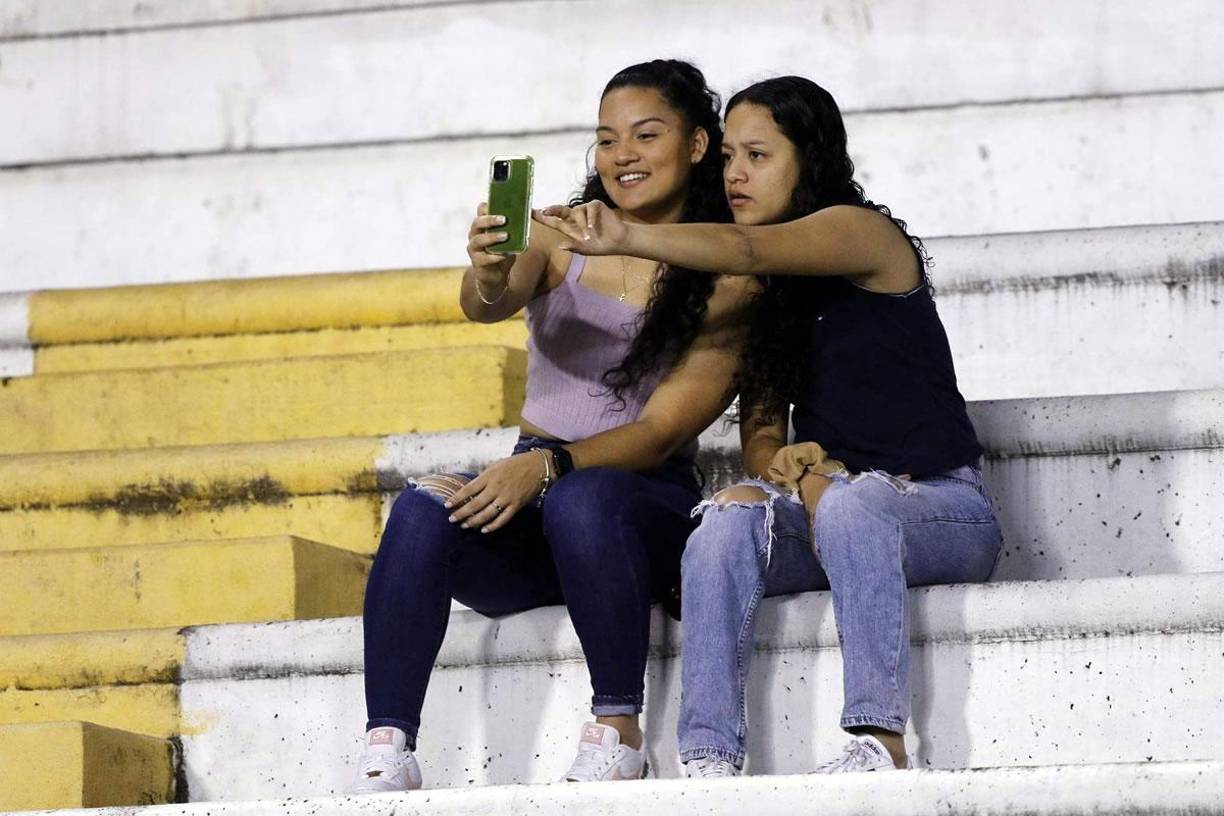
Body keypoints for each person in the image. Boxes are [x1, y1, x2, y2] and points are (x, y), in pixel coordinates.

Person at [535, 75, 1003, 778]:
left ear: (806, 160)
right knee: (724, 519)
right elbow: (761, 430)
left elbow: (749, 249)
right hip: (834, 514)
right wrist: (781, 469)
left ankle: (882, 739)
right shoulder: (768, 295)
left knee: (856, 502)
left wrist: (628, 233)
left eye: (757, 156)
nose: (734, 175)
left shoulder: (860, 231)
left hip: (943, 511)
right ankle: (707, 756)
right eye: (727, 158)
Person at [348, 59, 752, 793]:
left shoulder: (727, 271)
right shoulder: (558, 232)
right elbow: (487, 301)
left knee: (582, 498)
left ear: (697, 145)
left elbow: (661, 432)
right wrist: (491, 273)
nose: (621, 155)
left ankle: (619, 733)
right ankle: (389, 745)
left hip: (637, 504)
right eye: (606, 139)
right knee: (420, 508)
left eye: (645, 135)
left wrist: (548, 467)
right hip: (540, 491)